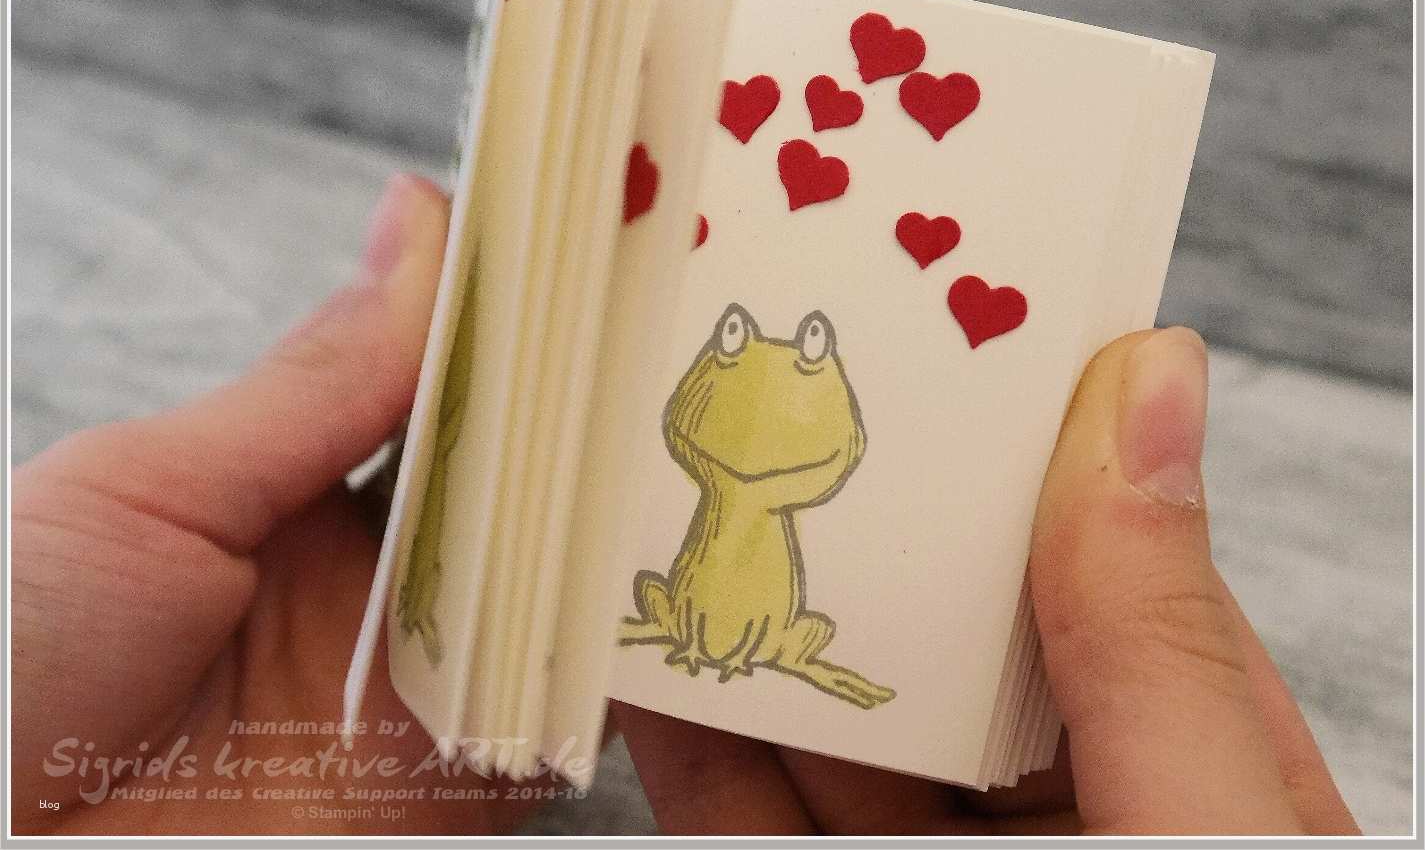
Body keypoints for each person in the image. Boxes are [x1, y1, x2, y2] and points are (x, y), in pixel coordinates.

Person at [11, 175, 1359, 836]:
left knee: (750, 612)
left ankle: (747, 640)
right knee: (695, 605)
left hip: (761, 600)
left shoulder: (808, 427)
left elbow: (817, 458)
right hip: (652, 604)